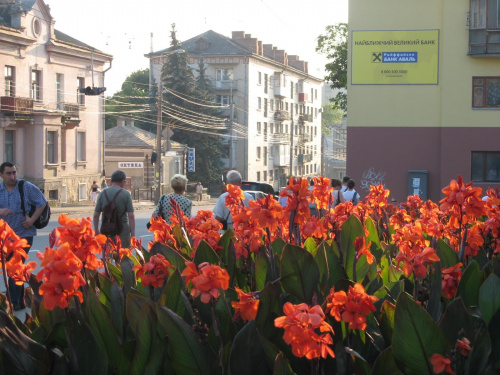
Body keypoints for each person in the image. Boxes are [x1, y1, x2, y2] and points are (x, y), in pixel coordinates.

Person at [0, 162, 47, 311]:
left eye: (14, 172)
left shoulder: (25, 186)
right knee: (13, 268)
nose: (12, 176)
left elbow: (42, 202)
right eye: (8, 173)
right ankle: (19, 301)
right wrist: (1, 211)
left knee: (14, 266)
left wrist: (31, 220)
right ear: (1, 175)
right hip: (5, 238)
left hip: (24, 234)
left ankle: (13, 301)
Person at [93, 170, 135, 248]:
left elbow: (96, 215)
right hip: (122, 229)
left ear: (112, 181)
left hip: (107, 228)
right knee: (124, 256)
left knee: (108, 255)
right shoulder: (126, 194)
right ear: (123, 181)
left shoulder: (102, 193)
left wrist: (96, 231)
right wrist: (132, 235)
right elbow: (131, 216)